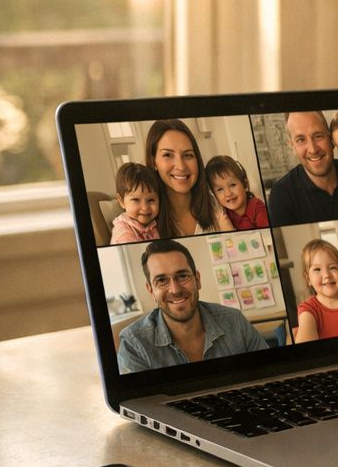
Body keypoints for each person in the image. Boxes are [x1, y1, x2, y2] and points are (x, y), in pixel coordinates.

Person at [117, 239, 268, 373]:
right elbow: (142, 403)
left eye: (182, 276)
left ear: (197, 280)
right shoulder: (134, 343)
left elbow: (269, 374)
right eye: (162, 280)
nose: (175, 290)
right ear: (151, 290)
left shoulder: (235, 321)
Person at [265, 111, 338, 226]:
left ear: (331, 139)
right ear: (292, 147)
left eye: (318, 136)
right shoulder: (281, 196)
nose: (313, 149)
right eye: (301, 140)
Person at [145, 119, 232, 237]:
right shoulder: (140, 215)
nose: (181, 166)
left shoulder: (216, 203)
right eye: (168, 155)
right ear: (153, 161)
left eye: (188, 155)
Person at [205, 155, 270, 230]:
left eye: (233, 185)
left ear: (244, 183)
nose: (228, 193)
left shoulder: (257, 207)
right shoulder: (224, 214)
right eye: (220, 189)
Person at [108, 162, 162, 245]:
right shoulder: (123, 233)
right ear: (121, 201)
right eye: (136, 200)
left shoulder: (154, 225)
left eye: (151, 200)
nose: (145, 207)